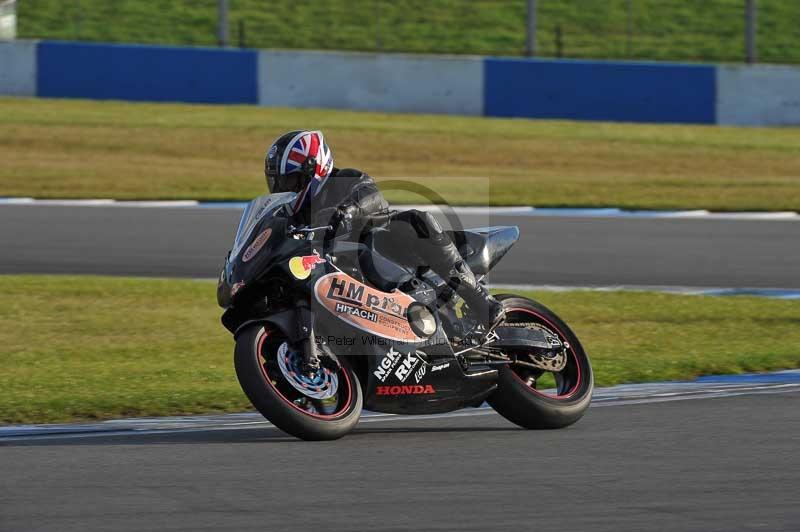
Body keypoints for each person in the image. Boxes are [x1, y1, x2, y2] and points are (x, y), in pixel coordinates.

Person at [264, 130, 505, 334]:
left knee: (416, 221)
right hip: (337, 277)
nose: (286, 189)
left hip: (387, 251)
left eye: (292, 181)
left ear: (312, 170)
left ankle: (481, 301)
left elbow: (370, 195)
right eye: (281, 183)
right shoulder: (292, 213)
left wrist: (347, 211)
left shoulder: (345, 179)